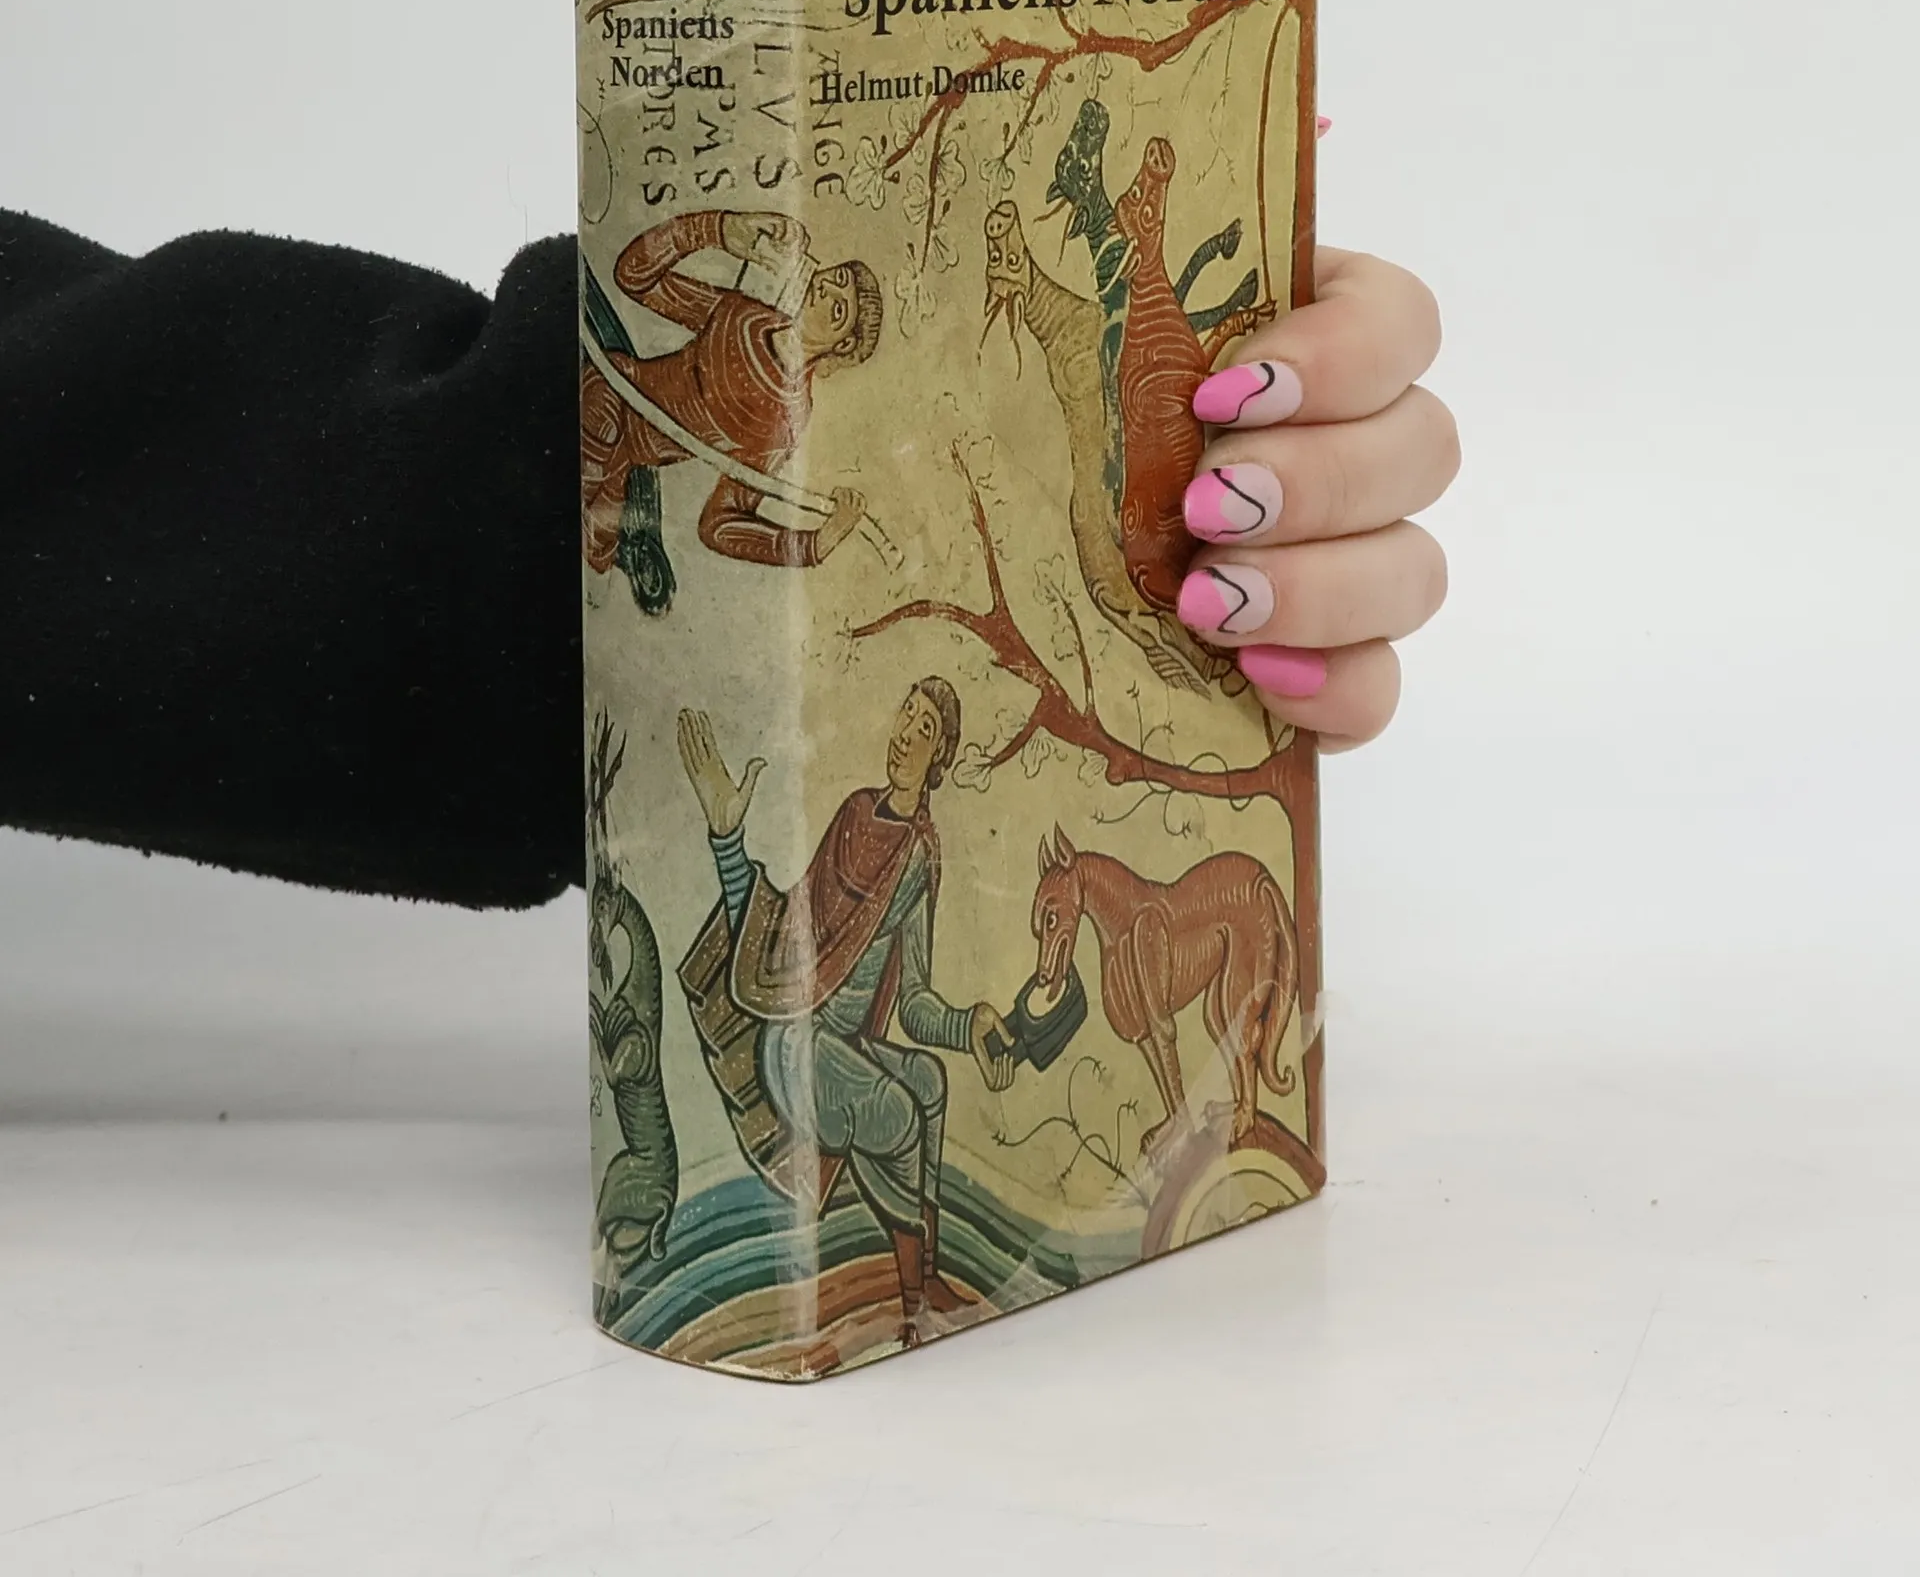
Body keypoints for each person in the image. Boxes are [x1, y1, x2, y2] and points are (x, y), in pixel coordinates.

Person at [0, 211, 1457, 905]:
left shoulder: (794, 392)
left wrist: (804, 550)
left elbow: (726, 523)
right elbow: (658, 292)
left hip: (621, 523)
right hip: (613, 476)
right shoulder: (747, 325)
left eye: (851, 322)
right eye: (844, 310)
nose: (836, 327)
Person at [676, 685, 1016, 1348]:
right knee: (896, 1112)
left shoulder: (920, 854)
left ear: (940, 755)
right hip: (795, 1042)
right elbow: (782, 934)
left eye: (925, 728)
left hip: (846, 1044)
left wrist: (969, 1025)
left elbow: (913, 1003)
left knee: (928, 1083)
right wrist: (726, 838)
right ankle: (914, 1309)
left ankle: (927, 1279)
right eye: (905, 713)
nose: (905, 734)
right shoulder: (855, 815)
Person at [581, 208, 882, 610]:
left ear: (841, 345)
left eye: (838, 309)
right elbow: (633, 277)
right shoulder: (743, 317)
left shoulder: (782, 417)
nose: (825, 289)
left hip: (626, 456)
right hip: (611, 387)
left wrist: (815, 544)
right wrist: (720, 230)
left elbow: (719, 523)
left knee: (591, 534)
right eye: (836, 277)